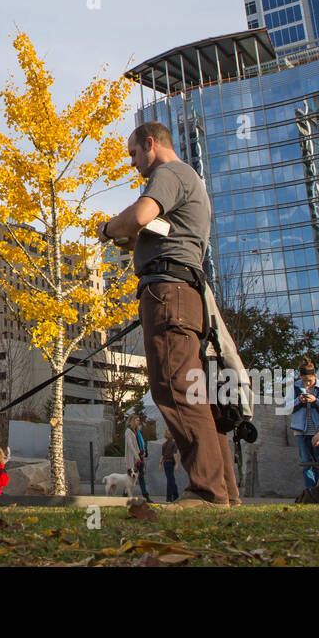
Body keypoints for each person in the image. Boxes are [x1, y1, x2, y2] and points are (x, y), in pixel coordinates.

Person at [99, 121, 238, 508]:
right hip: (182, 294)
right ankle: (224, 492)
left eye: (132, 153)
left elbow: (141, 215)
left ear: (150, 144)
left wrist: (109, 229)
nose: (132, 162)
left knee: (175, 388)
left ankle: (208, 493)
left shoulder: (169, 173)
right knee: (196, 394)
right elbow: (154, 229)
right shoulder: (189, 179)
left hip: (169, 293)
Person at [290, 360, 319, 492]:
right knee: (306, 462)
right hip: (301, 431)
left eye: (309, 380)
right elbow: (287, 408)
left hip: (317, 431)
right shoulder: (295, 388)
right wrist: (299, 400)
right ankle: (310, 491)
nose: (307, 383)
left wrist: (315, 401)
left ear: (315, 376)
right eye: (304, 380)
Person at [124, 414, 152, 502]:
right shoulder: (128, 431)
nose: (138, 422)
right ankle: (125, 494)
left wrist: (143, 452)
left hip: (139, 455)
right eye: (137, 420)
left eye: (139, 420)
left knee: (140, 476)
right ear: (132, 421)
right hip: (133, 457)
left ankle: (145, 495)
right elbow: (130, 445)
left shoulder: (137, 432)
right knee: (131, 476)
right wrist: (136, 456)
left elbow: (140, 444)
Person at [160, 429, 180, 502]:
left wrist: (160, 463)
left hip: (165, 463)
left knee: (171, 479)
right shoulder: (174, 443)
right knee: (170, 480)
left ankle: (175, 496)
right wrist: (177, 463)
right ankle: (169, 497)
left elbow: (162, 455)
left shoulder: (164, 444)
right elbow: (174, 454)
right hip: (171, 462)